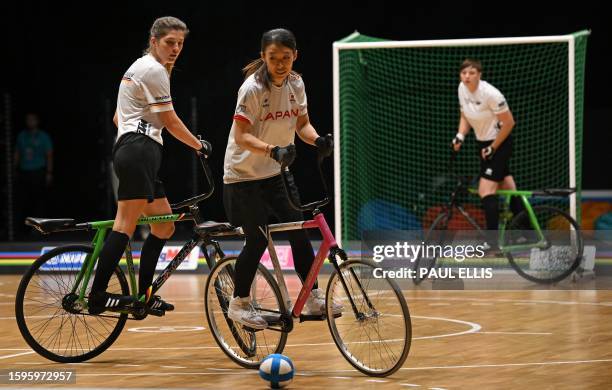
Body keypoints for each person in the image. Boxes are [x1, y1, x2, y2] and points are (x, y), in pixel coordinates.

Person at [88, 16, 207, 314]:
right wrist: (198, 145)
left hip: (139, 152)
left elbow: (119, 119)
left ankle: (144, 294)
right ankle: (98, 294)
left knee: (164, 227)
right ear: (153, 41)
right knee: (124, 226)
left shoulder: (139, 67)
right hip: (139, 152)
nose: (176, 48)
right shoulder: (153, 70)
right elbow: (170, 120)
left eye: (180, 43)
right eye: (170, 42)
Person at [223, 28, 339, 329]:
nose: (280, 63)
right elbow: (242, 136)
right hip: (242, 176)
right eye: (273, 57)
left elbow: (303, 125)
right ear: (263, 56)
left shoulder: (296, 84)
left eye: (286, 58)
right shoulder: (252, 89)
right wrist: (272, 150)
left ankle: (311, 296)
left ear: (295, 56)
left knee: (300, 231)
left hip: (275, 173)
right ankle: (239, 302)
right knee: (258, 238)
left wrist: (317, 141)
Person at [451, 58, 522, 248]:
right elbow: (465, 114)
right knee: (509, 187)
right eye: (464, 73)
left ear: (479, 75)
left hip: (499, 144)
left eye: (472, 73)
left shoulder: (491, 94)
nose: (467, 76)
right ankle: (529, 233)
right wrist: (460, 135)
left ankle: (491, 242)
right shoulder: (461, 89)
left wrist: (493, 147)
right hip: (482, 143)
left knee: (485, 190)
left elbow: (509, 123)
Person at [14, 113, 53, 236]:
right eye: (28, 120)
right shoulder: (22, 136)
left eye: (32, 119)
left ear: (37, 121)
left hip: (38, 171)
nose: (30, 122)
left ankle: (39, 229)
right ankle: (23, 229)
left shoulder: (43, 137)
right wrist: (14, 169)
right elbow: (17, 153)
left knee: (38, 201)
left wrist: (49, 172)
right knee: (25, 201)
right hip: (25, 171)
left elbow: (49, 154)